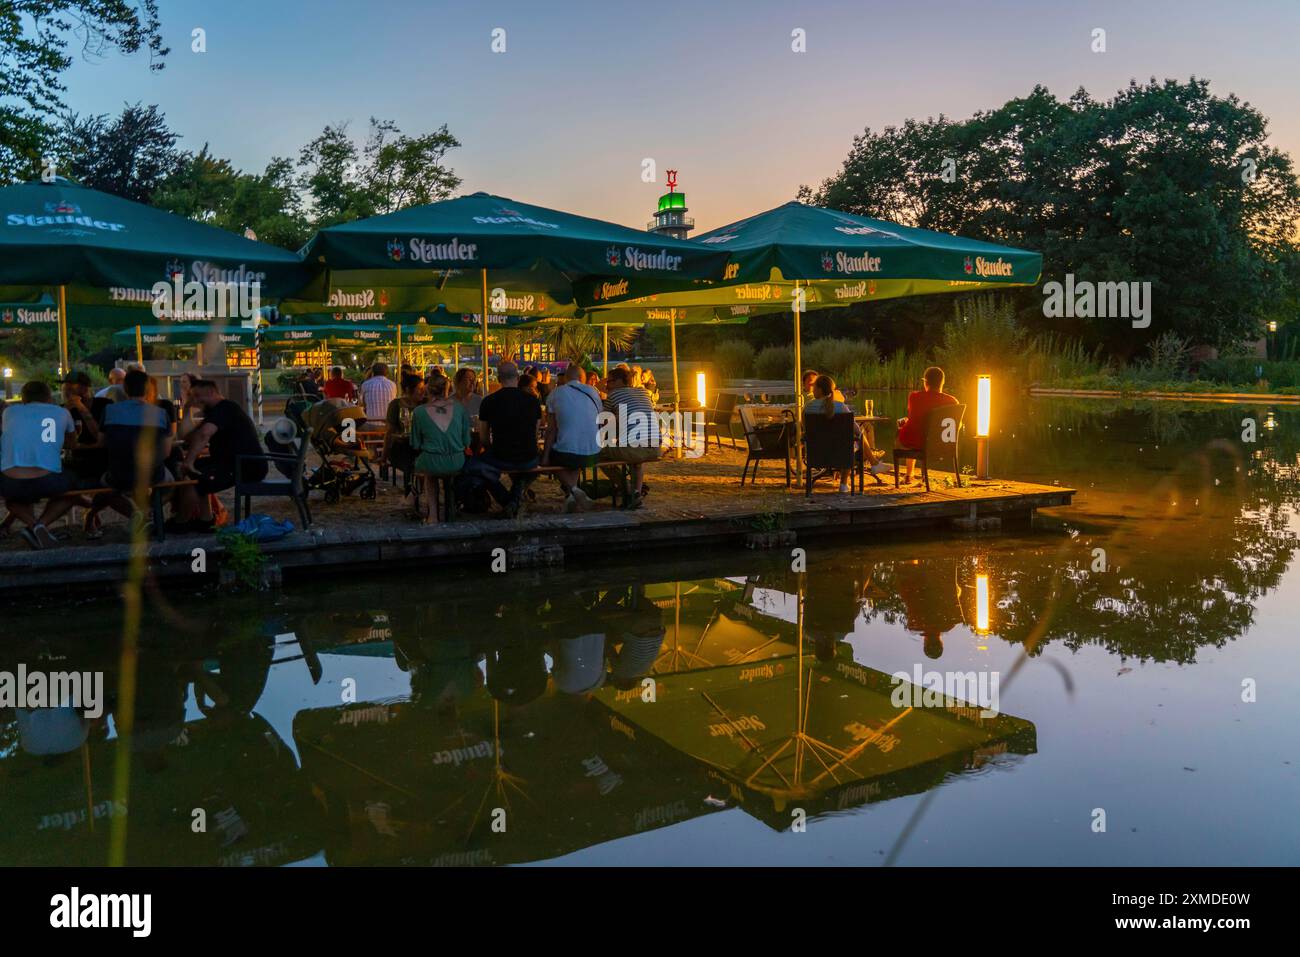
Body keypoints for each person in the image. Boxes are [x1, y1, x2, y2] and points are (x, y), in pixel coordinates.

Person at [172, 380, 266, 530]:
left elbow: (204, 434)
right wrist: (189, 408)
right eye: (192, 396)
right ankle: (206, 520)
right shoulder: (216, 411)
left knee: (192, 478)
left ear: (211, 392)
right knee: (197, 469)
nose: (195, 400)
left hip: (246, 466)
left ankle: (180, 523)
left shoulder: (225, 408)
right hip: (233, 462)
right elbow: (189, 437)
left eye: (197, 396)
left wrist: (188, 461)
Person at [88, 369, 174, 532]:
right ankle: (148, 512)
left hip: (119, 475)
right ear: (148, 389)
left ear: (125, 389)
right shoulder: (161, 413)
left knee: (105, 488)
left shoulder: (110, 411)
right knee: (172, 483)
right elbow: (166, 452)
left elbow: (101, 443)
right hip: (152, 475)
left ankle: (137, 514)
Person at [0, 380, 79, 549]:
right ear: (49, 397)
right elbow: (72, 445)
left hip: (9, 481)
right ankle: (41, 525)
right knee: (73, 492)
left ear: (23, 398)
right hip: (47, 479)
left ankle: (34, 526)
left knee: (12, 501)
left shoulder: (9, 412)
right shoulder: (62, 412)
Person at [471, 361, 541, 518]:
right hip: (529, 457)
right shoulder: (533, 401)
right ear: (517, 376)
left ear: (498, 378)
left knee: (473, 466)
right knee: (530, 468)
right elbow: (535, 434)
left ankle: (507, 499)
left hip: (501, 456)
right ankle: (516, 495)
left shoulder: (488, 401)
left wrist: (491, 449)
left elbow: (483, 438)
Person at [410, 376, 470, 524]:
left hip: (432, 461)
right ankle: (451, 510)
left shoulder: (419, 412)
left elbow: (415, 444)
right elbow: (466, 441)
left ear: (428, 390)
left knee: (430, 475)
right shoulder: (460, 409)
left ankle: (433, 516)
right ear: (447, 389)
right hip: (457, 460)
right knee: (440, 468)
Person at [544, 362, 603, 513]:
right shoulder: (594, 393)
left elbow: (551, 430)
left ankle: (574, 490)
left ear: (566, 378)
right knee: (572, 451)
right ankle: (570, 497)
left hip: (569, 454)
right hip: (594, 454)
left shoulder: (556, 393)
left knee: (551, 456)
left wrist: (545, 457)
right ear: (583, 378)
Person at [599, 365, 660, 510]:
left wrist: (602, 390)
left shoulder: (613, 395)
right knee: (636, 461)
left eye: (609, 381)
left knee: (598, 454)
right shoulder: (643, 392)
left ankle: (626, 488)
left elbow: (601, 420)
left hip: (635, 449)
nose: (607, 384)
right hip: (655, 448)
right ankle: (636, 494)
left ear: (619, 381)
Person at [896, 366, 959, 484]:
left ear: (925, 382)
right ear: (942, 382)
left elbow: (914, 419)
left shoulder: (914, 397)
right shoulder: (953, 401)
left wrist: (904, 423)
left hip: (919, 443)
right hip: (944, 444)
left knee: (904, 427)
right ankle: (917, 475)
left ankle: (909, 475)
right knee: (915, 430)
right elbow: (957, 426)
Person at [805, 373, 861, 493]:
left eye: (814, 387)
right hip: (840, 453)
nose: (812, 390)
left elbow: (803, 427)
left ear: (819, 390)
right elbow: (857, 430)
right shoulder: (840, 407)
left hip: (816, 452)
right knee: (852, 443)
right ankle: (843, 484)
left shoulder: (808, 407)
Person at [385, 372, 425, 490]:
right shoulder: (396, 405)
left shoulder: (425, 403)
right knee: (409, 459)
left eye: (424, 388)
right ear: (408, 389)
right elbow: (390, 431)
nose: (423, 391)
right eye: (420, 389)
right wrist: (384, 455)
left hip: (422, 446)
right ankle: (412, 492)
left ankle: (419, 491)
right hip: (402, 446)